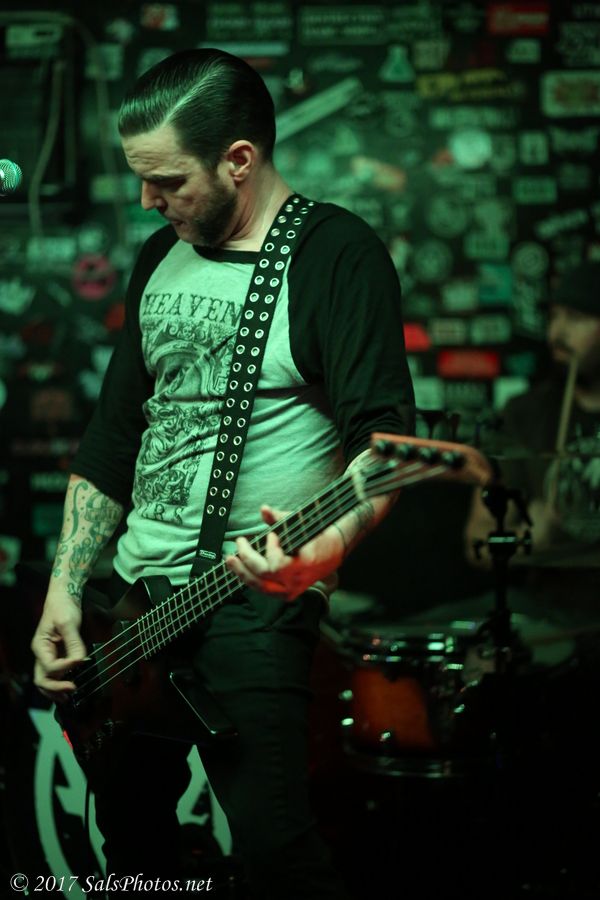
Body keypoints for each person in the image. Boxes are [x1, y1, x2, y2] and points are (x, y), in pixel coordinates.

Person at [30, 48, 414, 898]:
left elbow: (385, 446)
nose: (148, 200)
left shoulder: (333, 255)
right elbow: (114, 436)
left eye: (167, 180)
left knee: (279, 855)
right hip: (133, 609)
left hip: (252, 603)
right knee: (133, 854)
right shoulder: (159, 255)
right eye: (142, 179)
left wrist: (323, 552)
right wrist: (65, 587)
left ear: (238, 159)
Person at [466, 259, 600, 567]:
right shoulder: (524, 414)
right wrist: (523, 540)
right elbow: (477, 543)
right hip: (548, 592)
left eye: (576, 318)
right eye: (554, 317)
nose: (556, 333)